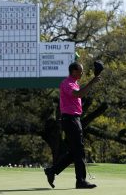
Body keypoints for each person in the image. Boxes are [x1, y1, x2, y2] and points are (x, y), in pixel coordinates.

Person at [44, 61, 101, 189]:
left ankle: (52, 171)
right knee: (79, 150)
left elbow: (79, 93)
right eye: (80, 71)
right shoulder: (67, 83)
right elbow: (78, 94)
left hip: (73, 119)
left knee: (74, 152)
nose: (82, 73)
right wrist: (92, 81)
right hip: (70, 119)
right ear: (74, 71)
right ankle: (80, 181)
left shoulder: (74, 83)